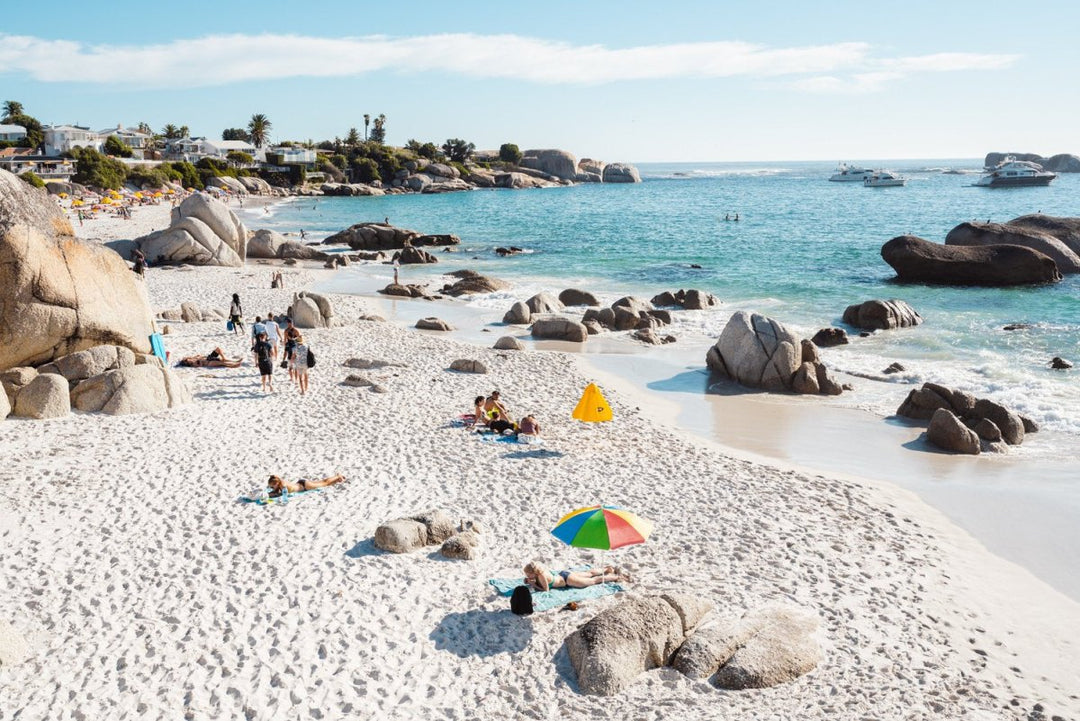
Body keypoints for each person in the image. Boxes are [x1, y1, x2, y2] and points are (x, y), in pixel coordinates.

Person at [523, 562, 628, 591]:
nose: (527, 575)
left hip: (567, 580)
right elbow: (536, 579)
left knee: (593, 580)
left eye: (528, 574)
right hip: (564, 574)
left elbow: (545, 590)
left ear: (534, 572)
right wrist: (530, 580)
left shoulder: (541, 577)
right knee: (589, 573)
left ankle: (616, 577)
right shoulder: (540, 570)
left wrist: (533, 584)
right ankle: (606, 569)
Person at [266, 474, 346, 498]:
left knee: (324, 483)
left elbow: (284, 495)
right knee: (322, 482)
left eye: (272, 486)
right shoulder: (279, 483)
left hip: (305, 486)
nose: (271, 488)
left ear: (276, 484)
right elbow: (275, 492)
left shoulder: (282, 484)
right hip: (302, 483)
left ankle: (337, 476)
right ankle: (337, 479)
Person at [178, 348, 242, 368]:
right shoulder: (192, 364)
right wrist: (200, 361)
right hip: (208, 363)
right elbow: (200, 365)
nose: (187, 359)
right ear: (186, 362)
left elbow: (199, 355)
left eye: (186, 359)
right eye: (186, 360)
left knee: (218, 349)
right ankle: (233, 365)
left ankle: (234, 361)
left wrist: (197, 357)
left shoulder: (193, 358)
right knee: (222, 363)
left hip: (209, 357)